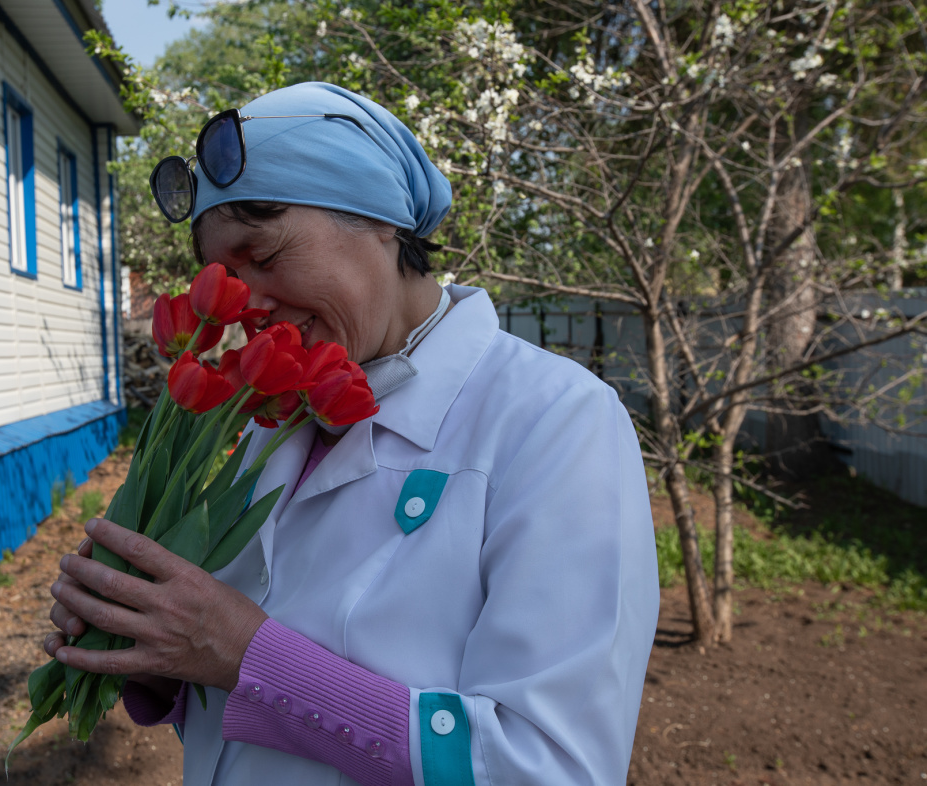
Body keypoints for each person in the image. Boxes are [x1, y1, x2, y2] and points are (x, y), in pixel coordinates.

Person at [43, 82, 659, 786]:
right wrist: (151, 648)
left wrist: (247, 657)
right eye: (229, 275)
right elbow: (241, 699)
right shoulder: (282, 424)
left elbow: (549, 766)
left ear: (380, 221)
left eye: (263, 256)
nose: (247, 306)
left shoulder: (555, 421)